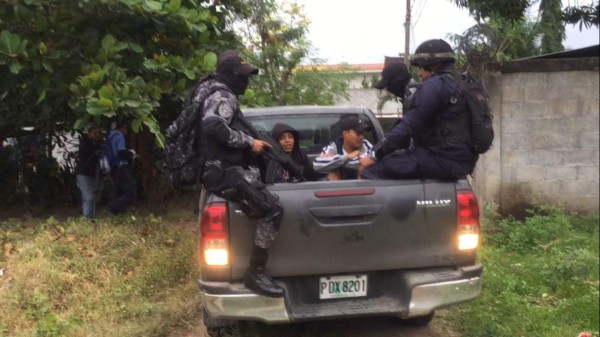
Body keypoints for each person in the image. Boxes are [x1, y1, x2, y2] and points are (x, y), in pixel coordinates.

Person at [198, 50, 284, 297]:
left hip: (216, 170)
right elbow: (212, 125)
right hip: (220, 172)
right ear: (230, 74)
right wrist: (249, 142)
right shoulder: (224, 96)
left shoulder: (211, 92)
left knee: (258, 192)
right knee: (273, 210)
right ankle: (255, 273)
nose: (246, 81)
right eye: (243, 75)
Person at [359, 39, 478, 180]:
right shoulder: (465, 83)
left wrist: (374, 154)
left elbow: (408, 126)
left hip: (442, 158)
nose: (420, 74)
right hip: (462, 160)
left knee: (372, 170)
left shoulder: (434, 86)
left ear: (435, 64)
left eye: (422, 67)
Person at [314, 114, 375, 180]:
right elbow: (317, 164)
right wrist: (347, 157)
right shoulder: (333, 147)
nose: (361, 137)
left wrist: (334, 161)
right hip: (340, 187)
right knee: (331, 171)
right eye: (358, 133)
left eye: (362, 133)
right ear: (345, 134)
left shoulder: (366, 145)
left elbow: (366, 162)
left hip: (361, 188)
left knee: (364, 167)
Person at [104, 121, 137, 215]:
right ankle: (111, 208)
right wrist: (131, 153)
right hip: (121, 167)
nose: (127, 131)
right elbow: (121, 154)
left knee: (119, 191)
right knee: (131, 191)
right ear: (122, 128)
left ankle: (117, 214)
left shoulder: (109, 136)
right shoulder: (119, 136)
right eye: (126, 129)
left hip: (113, 168)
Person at [76, 125, 104, 219]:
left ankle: (90, 216)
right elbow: (88, 150)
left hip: (95, 175)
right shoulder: (86, 143)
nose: (97, 135)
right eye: (94, 133)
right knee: (89, 197)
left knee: (96, 197)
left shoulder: (99, 144)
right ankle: (87, 218)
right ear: (89, 134)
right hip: (84, 174)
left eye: (98, 133)